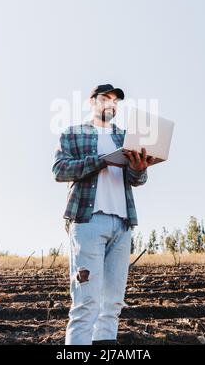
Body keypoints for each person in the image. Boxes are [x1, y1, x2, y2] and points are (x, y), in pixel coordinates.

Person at [52, 83, 157, 345]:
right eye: (105, 98)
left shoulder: (125, 138)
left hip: (122, 225)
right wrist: (100, 160)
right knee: (86, 303)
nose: (111, 104)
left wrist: (140, 168)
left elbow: (136, 179)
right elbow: (59, 170)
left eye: (115, 101)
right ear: (92, 102)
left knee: (112, 305)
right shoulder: (73, 133)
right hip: (87, 222)